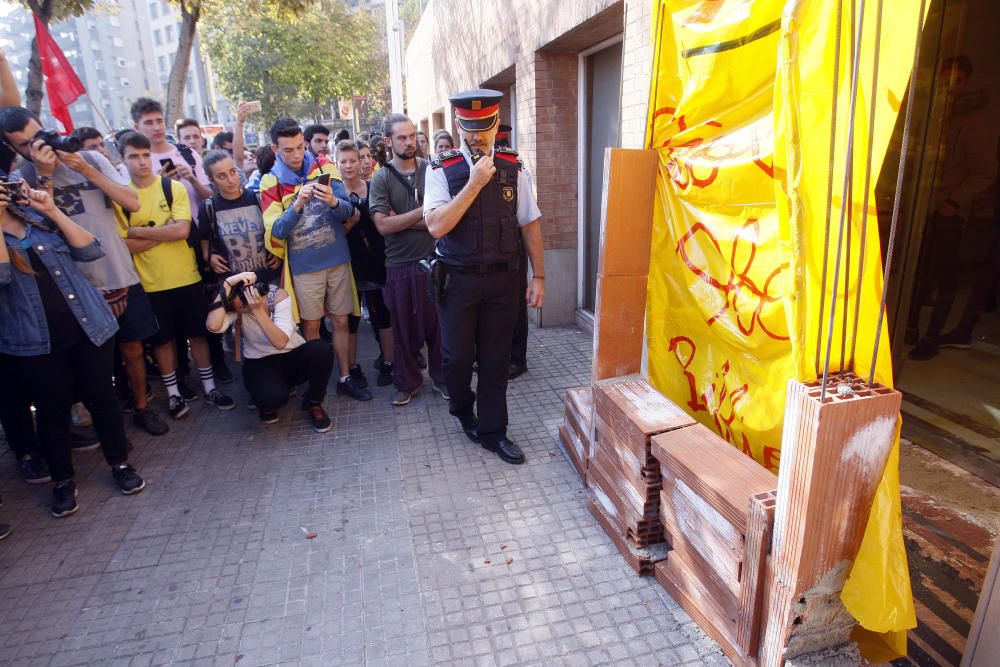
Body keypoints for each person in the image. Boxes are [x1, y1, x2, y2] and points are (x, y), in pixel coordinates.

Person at [1, 107, 170, 436]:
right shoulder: (23, 176)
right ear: (12, 148)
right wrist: (44, 173)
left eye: (39, 135)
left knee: (133, 348)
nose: (37, 145)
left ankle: (141, 406)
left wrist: (86, 169)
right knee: (89, 363)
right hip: (72, 286)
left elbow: (132, 203)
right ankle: (101, 421)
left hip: (116, 270)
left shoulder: (89, 159)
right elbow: (40, 228)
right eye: (25, 144)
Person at [1, 180, 146, 517]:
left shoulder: (38, 218)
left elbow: (91, 249)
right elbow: (2, 276)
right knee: (51, 412)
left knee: (103, 399)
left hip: (89, 328)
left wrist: (50, 208)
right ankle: (63, 481)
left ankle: (120, 464)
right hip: (36, 343)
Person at [424, 89, 546, 465]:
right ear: (458, 125)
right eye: (468, 128)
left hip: (502, 281)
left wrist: (539, 275)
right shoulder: (441, 170)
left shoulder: (514, 168)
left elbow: (530, 222)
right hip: (457, 281)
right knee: (457, 359)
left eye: (483, 128)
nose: (476, 136)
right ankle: (463, 409)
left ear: (496, 124)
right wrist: (474, 183)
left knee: (495, 361)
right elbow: (435, 225)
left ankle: (494, 432)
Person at [115, 131, 234, 418]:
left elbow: (182, 230)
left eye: (145, 155)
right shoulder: (120, 198)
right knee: (162, 341)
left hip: (187, 277)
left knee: (200, 335)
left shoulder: (173, 188)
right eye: (134, 156)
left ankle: (209, 388)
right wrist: (163, 231)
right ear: (122, 160)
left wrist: (140, 230)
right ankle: (173, 395)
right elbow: (123, 244)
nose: (142, 162)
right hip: (150, 284)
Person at [260, 117, 371, 401]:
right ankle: (317, 385)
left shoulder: (324, 166)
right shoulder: (270, 181)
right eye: (288, 150)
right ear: (275, 149)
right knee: (310, 326)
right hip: (304, 267)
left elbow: (348, 212)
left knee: (342, 321)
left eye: (300, 147)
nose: (297, 155)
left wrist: (333, 201)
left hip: (336, 260)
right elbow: (277, 231)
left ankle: (345, 377)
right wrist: (297, 204)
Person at [909, 56, 997, 360]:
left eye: (955, 80)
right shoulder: (937, 115)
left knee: (945, 275)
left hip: (948, 209)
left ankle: (932, 336)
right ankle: (911, 331)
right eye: (944, 80)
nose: (948, 87)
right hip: (925, 206)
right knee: (919, 275)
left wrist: (954, 201)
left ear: (966, 82)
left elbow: (985, 170)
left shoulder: (973, 121)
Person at [370, 113, 446, 406]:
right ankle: (408, 383)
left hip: (434, 261)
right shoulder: (382, 178)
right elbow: (382, 226)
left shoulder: (432, 170)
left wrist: (401, 218)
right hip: (400, 265)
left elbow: (444, 217)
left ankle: (442, 379)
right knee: (403, 329)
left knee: (440, 328)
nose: (409, 142)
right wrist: (424, 213)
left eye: (412, 135)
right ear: (389, 141)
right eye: (402, 137)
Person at [206, 271, 333, 430]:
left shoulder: (278, 296)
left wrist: (257, 310)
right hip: (259, 361)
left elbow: (280, 342)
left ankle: (314, 403)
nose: (244, 305)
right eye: (237, 302)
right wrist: (226, 287)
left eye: (245, 297)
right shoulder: (234, 308)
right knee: (272, 399)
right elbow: (212, 326)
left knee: (321, 349)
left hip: (290, 355)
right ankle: (266, 398)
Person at [337, 139, 394, 387]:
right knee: (350, 321)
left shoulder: (375, 187)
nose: (349, 166)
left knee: (383, 315)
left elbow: (387, 222)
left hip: (377, 263)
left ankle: (390, 363)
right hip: (346, 265)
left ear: (362, 162)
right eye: (344, 161)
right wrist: (349, 224)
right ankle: (352, 368)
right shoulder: (332, 193)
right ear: (336, 163)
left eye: (354, 160)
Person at [198, 150, 281, 287]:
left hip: (269, 276)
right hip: (234, 281)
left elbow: (275, 228)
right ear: (211, 179)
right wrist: (209, 257)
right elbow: (204, 239)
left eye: (233, 172)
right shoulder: (208, 207)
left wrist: (278, 251)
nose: (230, 180)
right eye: (221, 176)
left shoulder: (259, 197)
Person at [494, 123, 528, 379]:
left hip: (514, 243)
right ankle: (501, 356)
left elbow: (525, 215)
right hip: (496, 244)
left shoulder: (515, 168)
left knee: (516, 306)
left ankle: (517, 359)